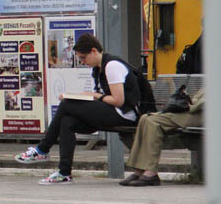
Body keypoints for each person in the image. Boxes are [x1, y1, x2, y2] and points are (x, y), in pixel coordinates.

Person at [121, 37, 221, 186]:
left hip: (210, 117)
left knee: (153, 121)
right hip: (199, 113)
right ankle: (138, 170)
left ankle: (150, 172)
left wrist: (190, 105)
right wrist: (188, 101)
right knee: (145, 119)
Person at [16, 34, 141, 184]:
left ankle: (42, 150)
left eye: (83, 58)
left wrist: (94, 96)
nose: (82, 62)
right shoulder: (98, 69)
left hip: (125, 115)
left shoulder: (112, 66)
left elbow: (119, 100)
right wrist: (88, 97)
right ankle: (64, 173)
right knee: (67, 121)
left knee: (67, 104)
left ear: (94, 51)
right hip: (111, 112)